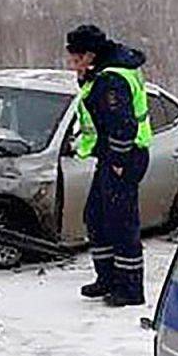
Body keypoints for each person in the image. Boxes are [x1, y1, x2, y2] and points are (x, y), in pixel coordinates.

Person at [65, 25, 153, 307]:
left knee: (121, 223)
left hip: (124, 158)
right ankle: (107, 278)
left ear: (90, 54)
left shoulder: (112, 79)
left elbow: (123, 124)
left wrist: (117, 160)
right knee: (97, 216)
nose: (71, 64)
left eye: (76, 59)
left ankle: (129, 288)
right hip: (111, 157)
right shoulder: (105, 71)